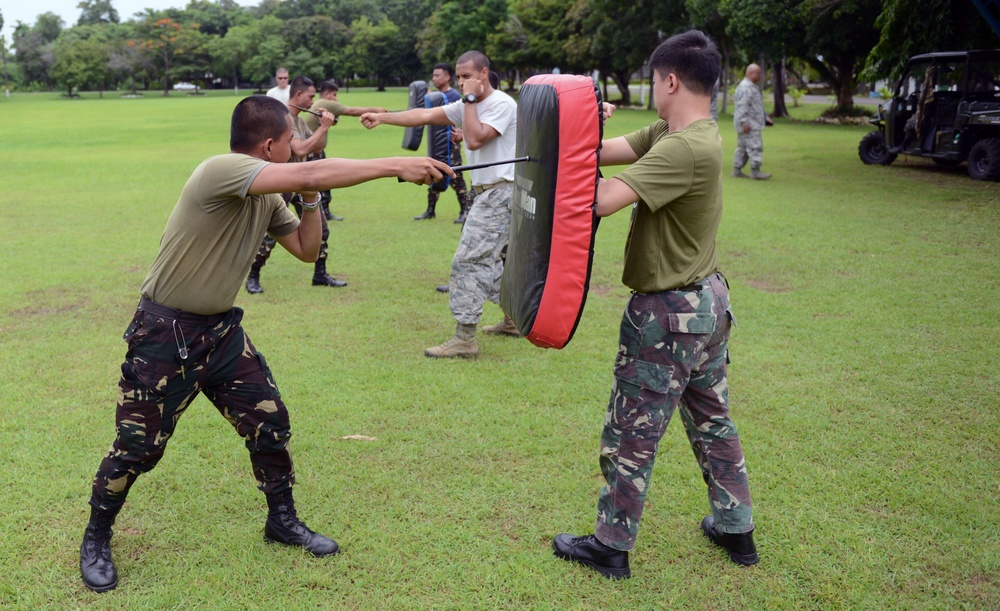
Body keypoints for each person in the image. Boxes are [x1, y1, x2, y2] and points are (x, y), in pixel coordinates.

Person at [79, 94, 451, 593]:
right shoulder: (221, 170)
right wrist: (396, 165)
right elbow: (311, 175)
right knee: (136, 447)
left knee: (270, 422)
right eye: (293, 139)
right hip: (166, 335)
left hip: (222, 332)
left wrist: (313, 201)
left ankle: (282, 521)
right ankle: (97, 536)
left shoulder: (269, 197)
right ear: (271, 144)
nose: (298, 147)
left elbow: (304, 249)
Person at [551, 30, 758, 581]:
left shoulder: (683, 148)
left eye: (653, 80)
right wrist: (580, 123)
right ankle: (736, 528)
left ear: (669, 80)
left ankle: (609, 546)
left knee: (632, 430)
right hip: (706, 301)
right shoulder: (681, 131)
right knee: (713, 420)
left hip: (670, 314)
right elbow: (600, 152)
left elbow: (598, 200)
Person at [361, 50, 521, 356]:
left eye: (467, 77)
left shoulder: (500, 103)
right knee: (489, 260)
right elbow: (423, 115)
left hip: (501, 191)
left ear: (484, 74)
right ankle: (514, 319)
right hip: (486, 192)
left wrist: (471, 102)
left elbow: (474, 140)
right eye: (459, 77)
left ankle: (464, 338)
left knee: (469, 260)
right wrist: (383, 117)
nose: (461, 83)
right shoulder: (467, 105)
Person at [246, 76, 346, 293]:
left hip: (301, 184)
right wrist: (323, 127)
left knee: (321, 228)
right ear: (298, 95)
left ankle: (320, 274)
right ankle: (253, 277)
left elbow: (316, 149)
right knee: (270, 235)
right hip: (280, 183)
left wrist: (323, 127)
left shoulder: (301, 121)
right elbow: (300, 150)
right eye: (310, 96)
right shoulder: (283, 119)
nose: (313, 101)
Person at [303, 80, 389, 221]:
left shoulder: (320, 106)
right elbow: (352, 111)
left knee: (323, 183)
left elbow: (334, 121)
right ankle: (321, 214)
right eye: (334, 95)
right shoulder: (324, 103)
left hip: (315, 151)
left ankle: (325, 212)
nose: (336, 99)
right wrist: (376, 110)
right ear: (327, 94)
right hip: (312, 153)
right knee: (318, 184)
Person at [414, 63, 473, 224]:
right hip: (437, 143)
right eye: (433, 76)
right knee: (433, 174)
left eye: (437, 75)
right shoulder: (437, 96)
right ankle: (430, 210)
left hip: (450, 146)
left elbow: (462, 115)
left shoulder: (453, 95)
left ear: (447, 77)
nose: (434, 79)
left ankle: (464, 211)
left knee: (456, 177)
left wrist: (461, 131)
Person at [732, 63, 771, 180]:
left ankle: (736, 170)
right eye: (758, 73)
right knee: (755, 147)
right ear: (750, 73)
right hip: (749, 124)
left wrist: (765, 117)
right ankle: (755, 171)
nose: (760, 75)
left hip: (751, 122)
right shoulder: (745, 87)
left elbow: (756, 106)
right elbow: (742, 107)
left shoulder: (751, 86)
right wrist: (744, 122)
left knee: (743, 148)